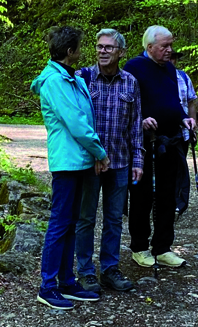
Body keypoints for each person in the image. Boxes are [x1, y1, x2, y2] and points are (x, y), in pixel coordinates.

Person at [30, 25, 109, 310]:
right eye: (79, 47)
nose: (82, 51)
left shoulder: (71, 78)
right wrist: (100, 152)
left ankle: (66, 281)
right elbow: (76, 123)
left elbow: (85, 117)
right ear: (69, 51)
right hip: (67, 163)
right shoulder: (54, 81)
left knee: (71, 223)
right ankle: (47, 286)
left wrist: (93, 155)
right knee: (59, 223)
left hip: (80, 161)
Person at [74, 28, 143, 293]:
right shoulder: (83, 78)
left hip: (121, 161)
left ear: (121, 52)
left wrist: (138, 159)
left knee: (114, 218)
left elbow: (135, 125)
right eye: (99, 47)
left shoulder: (130, 82)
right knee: (86, 218)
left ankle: (110, 269)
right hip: (89, 163)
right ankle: (86, 272)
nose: (102, 51)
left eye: (109, 48)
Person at [123, 25, 194, 269]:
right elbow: (126, 103)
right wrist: (141, 119)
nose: (170, 50)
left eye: (170, 45)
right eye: (165, 46)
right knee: (141, 195)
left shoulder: (170, 69)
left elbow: (173, 103)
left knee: (167, 194)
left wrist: (183, 117)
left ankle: (163, 247)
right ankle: (140, 247)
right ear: (149, 46)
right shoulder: (134, 67)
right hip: (144, 143)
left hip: (171, 140)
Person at [170, 50, 196, 215]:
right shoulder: (154, 77)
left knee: (180, 167)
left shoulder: (184, 78)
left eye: (174, 57)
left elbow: (191, 102)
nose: (171, 60)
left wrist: (193, 126)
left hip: (183, 132)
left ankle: (179, 201)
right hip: (162, 131)